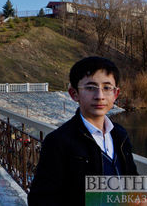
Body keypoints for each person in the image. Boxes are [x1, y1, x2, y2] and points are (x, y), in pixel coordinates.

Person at [28, 56, 138, 206]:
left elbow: (132, 182)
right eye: (90, 88)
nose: (99, 96)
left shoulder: (120, 134)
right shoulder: (59, 141)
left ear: (115, 94)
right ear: (74, 94)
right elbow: (40, 198)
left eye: (107, 88)